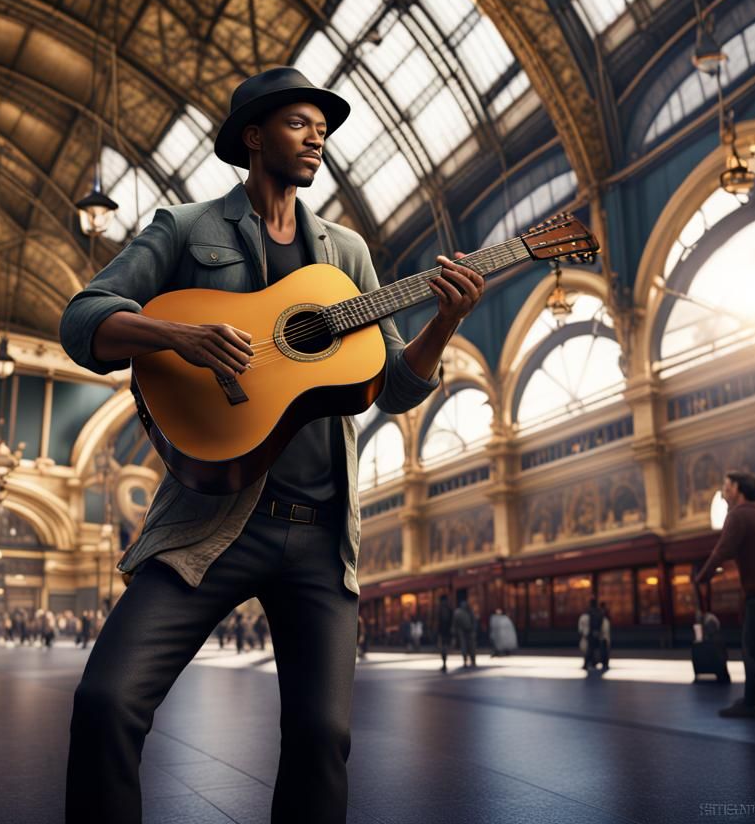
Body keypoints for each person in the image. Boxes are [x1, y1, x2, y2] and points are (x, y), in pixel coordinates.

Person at [61, 66, 485, 823]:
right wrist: (179, 334)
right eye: (298, 122)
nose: (318, 134)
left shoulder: (347, 254)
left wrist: (446, 321)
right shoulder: (187, 229)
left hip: (322, 534)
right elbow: (83, 318)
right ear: (253, 138)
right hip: (211, 521)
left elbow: (391, 384)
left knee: (323, 737)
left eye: (323, 126)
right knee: (106, 700)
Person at [695, 470, 755, 717]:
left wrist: (701, 577)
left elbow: (721, 551)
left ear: (738, 489)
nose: (724, 490)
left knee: (751, 649)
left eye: (727, 485)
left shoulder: (739, 515)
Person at [578, 599, 603, 671]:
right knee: (592, 648)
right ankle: (592, 662)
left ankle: (589, 662)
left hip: (590, 633)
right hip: (593, 633)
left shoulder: (591, 613)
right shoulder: (597, 612)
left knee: (589, 649)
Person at [453, 599, 477, 668]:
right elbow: (455, 623)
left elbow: (473, 621)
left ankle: (473, 660)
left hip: (470, 631)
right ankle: (465, 661)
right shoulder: (458, 612)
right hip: (462, 631)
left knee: (471, 647)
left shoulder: (469, 612)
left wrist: (473, 630)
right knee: (464, 647)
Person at [437, 594, 454, 672]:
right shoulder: (449, 609)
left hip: (443, 632)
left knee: (443, 648)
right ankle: (444, 663)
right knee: (444, 648)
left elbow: (439, 622)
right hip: (446, 631)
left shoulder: (441, 610)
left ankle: (444, 663)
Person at [598, 602, 611, 671]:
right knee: (604, 650)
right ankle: (604, 663)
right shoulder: (602, 616)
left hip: (604, 635)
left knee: (604, 650)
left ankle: (605, 663)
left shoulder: (603, 616)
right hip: (604, 635)